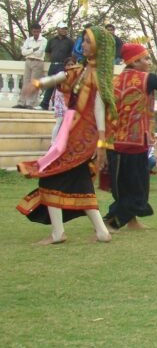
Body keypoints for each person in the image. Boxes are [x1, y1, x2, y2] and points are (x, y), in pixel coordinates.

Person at [16, 26, 116, 245]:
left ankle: (58, 233)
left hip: (79, 137)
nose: (84, 45)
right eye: (84, 41)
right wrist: (37, 84)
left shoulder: (99, 76)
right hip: (70, 132)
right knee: (80, 181)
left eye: (88, 41)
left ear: (100, 47)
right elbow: (61, 76)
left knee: (50, 175)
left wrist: (100, 142)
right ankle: (100, 231)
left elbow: (100, 110)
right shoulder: (81, 71)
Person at [104, 43, 157, 230]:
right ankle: (111, 220)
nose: (149, 62)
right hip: (134, 143)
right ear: (134, 62)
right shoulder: (146, 79)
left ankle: (131, 223)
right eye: (146, 58)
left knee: (124, 187)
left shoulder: (115, 81)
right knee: (138, 189)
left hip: (115, 143)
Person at [39, 22, 74, 111]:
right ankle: (44, 104)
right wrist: (51, 60)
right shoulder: (52, 40)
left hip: (63, 66)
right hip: (53, 65)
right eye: (62, 28)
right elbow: (48, 52)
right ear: (57, 29)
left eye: (65, 29)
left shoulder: (69, 41)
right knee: (50, 85)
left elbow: (72, 55)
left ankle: (57, 105)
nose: (64, 30)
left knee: (60, 86)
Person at [16, 22, 46, 109]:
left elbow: (39, 53)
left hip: (38, 62)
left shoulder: (44, 40)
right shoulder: (28, 40)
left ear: (40, 31)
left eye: (37, 31)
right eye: (34, 31)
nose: (36, 33)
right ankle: (22, 102)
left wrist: (29, 50)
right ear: (32, 31)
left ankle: (30, 103)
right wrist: (33, 49)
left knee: (34, 83)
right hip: (28, 61)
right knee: (25, 82)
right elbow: (23, 52)